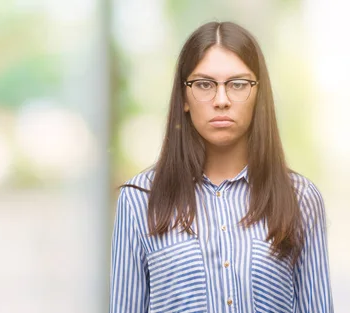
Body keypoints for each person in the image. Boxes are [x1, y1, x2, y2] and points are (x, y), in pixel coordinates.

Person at [109, 21, 333, 313]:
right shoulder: (141, 199)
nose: (222, 100)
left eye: (238, 84)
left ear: (258, 94)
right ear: (184, 97)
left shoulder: (300, 198)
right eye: (204, 84)